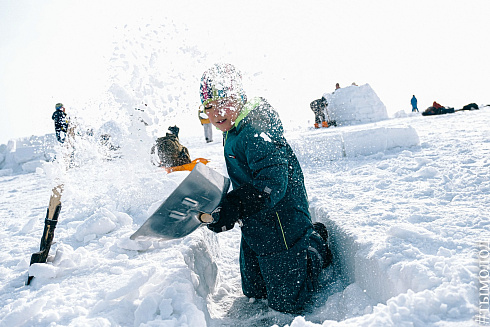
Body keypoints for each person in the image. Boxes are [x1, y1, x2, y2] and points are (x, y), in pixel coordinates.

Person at [200, 63, 332, 314]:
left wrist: (235, 205)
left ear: (238, 98)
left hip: (283, 219)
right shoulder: (232, 125)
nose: (215, 113)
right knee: (254, 290)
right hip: (257, 219)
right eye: (208, 106)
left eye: (222, 102)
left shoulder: (257, 127)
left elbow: (273, 183)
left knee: (286, 302)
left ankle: (314, 243)